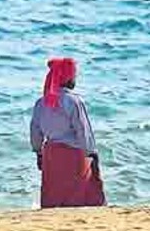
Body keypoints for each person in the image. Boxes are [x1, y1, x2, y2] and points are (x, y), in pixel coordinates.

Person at [29, 58, 106, 208]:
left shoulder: (41, 103)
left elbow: (35, 132)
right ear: (67, 78)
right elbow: (83, 131)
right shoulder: (74, 101)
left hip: (51, 155)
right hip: (74, 155)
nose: (75, 79)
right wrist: (91, 153)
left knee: (54, 195)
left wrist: (39, 153)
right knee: (84, 192)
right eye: (73, 76)